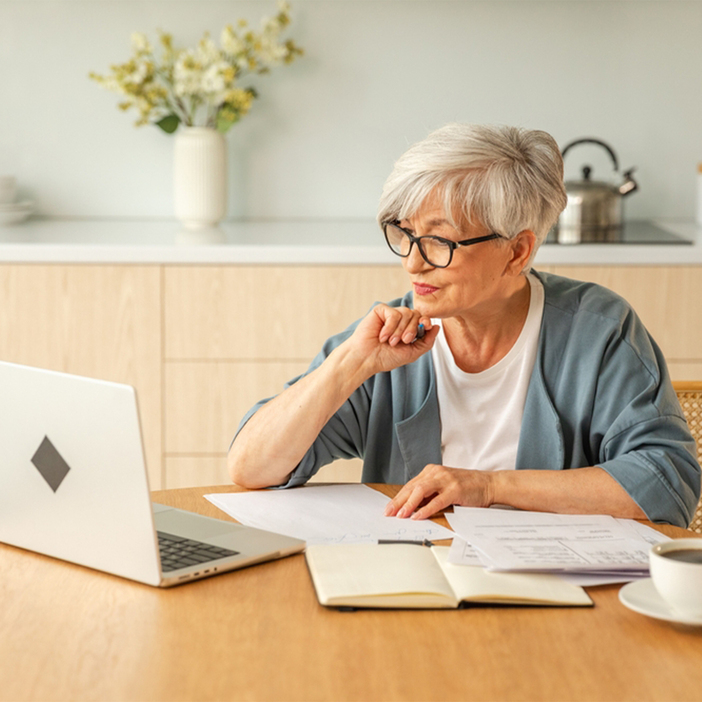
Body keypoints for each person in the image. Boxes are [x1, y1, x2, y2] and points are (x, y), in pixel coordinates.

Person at [228, 123, 701, 528]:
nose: (413, 263)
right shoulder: (387, 341)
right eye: (405, 233)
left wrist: (488, 487)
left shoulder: (597, 331)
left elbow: (665, 483)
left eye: (438, 240)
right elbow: (251, 468)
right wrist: (348, 363)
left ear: (517, 252)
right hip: (414, 585)